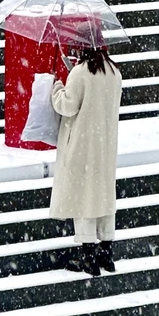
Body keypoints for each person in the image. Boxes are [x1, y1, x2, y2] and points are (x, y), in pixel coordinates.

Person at [50, 44, 123, 276]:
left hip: (83, 146)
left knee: (83, 199)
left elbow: (67, 106)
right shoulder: (114, 72)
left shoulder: (80, 72)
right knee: (103, 198)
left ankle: (88, 258)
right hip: (105, 146)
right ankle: (106, 255)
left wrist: (57, 88)